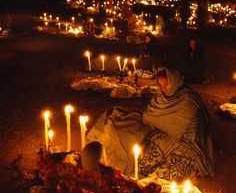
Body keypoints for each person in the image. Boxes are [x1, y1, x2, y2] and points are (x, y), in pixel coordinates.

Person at [86, 68, 214, 181]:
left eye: (167, 84)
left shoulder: (190, 101)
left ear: (175, 81)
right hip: (161, 135)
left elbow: (193, 134)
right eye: (160, 85)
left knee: (162, 173)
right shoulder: (160, 96)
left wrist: (163, 129)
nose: (163, 88)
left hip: (186, 144)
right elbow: (150, 117)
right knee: (139, 160)